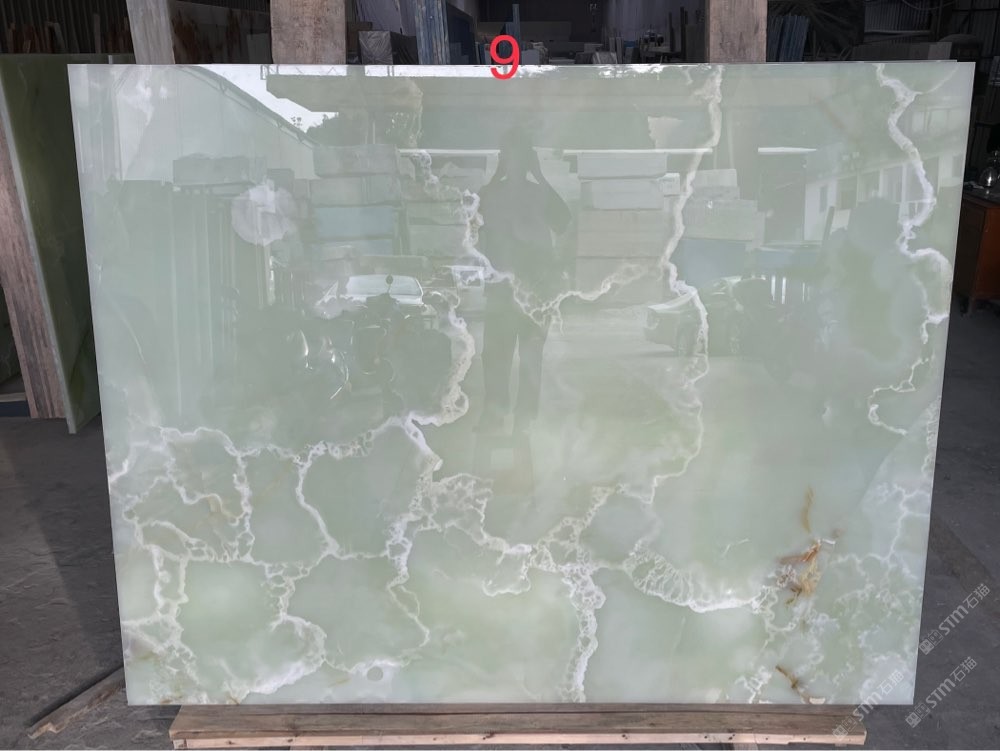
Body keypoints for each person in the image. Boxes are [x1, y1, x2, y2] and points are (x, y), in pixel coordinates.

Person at [476, 127, 570, 434]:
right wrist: (496, 177)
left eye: (518, 157)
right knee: (495, 356)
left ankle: (524, 417)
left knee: (530, 356)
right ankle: (495, 411)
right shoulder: (492, 194)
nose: (512, 162)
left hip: (536, 288)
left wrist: (540, 177)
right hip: (502, 290)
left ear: (528, 159)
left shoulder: (538, 194)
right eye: (507, 157)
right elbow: (471, 214)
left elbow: (563, 220)